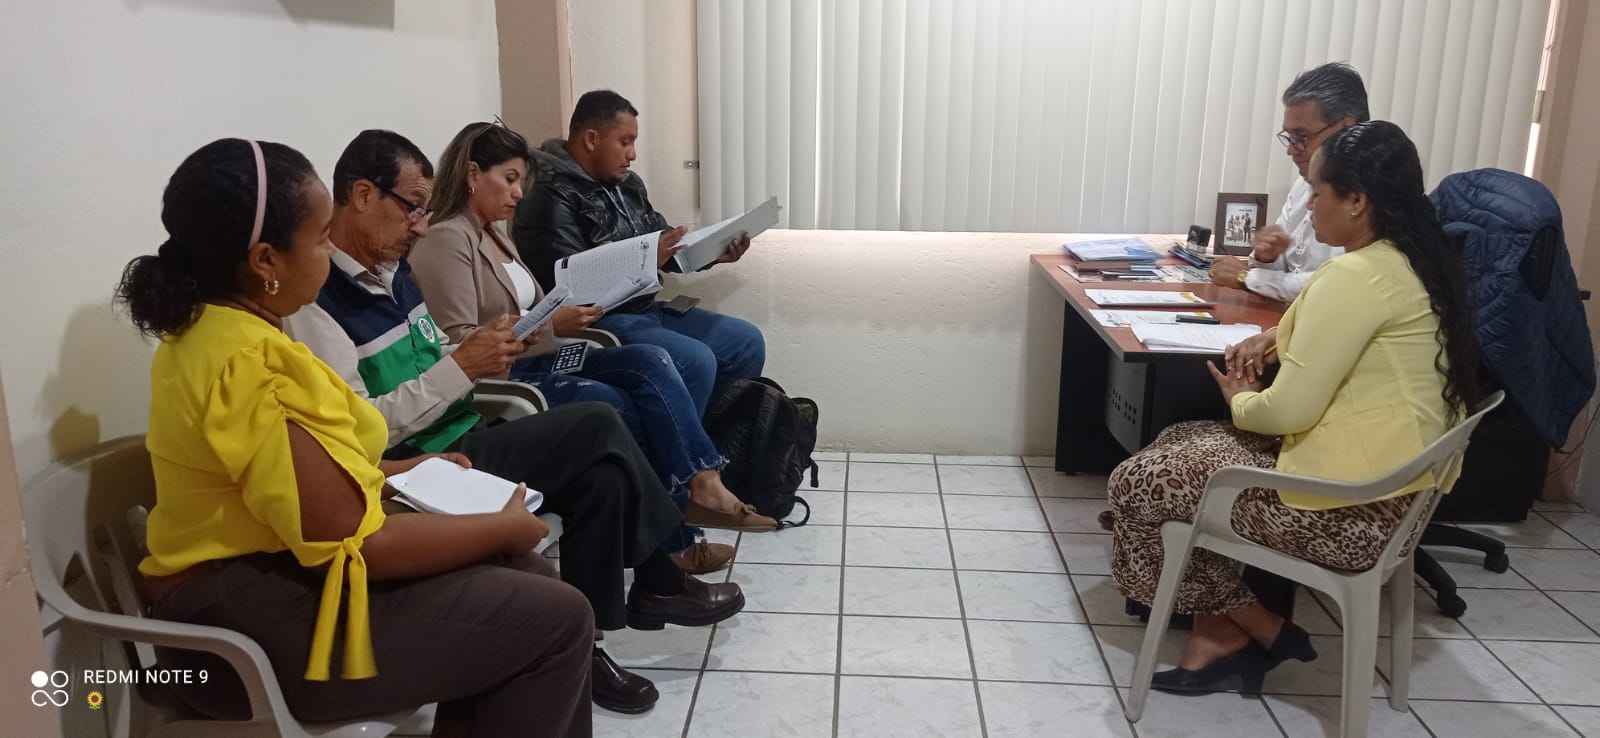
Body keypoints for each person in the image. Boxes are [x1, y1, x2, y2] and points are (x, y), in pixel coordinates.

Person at [118, 138, 592, 737]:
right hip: (236, 632)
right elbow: (358, 544)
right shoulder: (249, 364)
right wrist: (500, 524)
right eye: (321, 238)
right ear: (266, 261)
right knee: (557, 617)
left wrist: (399, 473)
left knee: (528, 576)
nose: (330, 251)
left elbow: (282, 477)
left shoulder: (223, 331)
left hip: (265, 576)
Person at [283, 130, 746, 716]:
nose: (420, 227)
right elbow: (364, 430)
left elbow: (437, 355)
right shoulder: (315, 304)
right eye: (413, 208)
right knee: (599, 421)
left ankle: (590, 644)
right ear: (363, 195)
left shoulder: (393, 270)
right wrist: (464, 364)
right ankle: (661, 573)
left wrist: (480, 349)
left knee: (602, 476)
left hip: (464, 429)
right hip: (421, 464)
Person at [1109, 120, 1482, 695]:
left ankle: (1254, 625)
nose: (1310, 206)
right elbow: (1357, 333)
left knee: (1135, 484)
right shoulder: (1411, 262)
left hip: (1346, 517)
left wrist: (1240, 399)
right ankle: (1230, 630)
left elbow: (1285, 414)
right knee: (1177, 440)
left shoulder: (1354, 275)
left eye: (1318, 193)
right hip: (1397, 499)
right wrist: (1276, 338)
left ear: (1356, 201)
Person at [409, 121, 778, 571]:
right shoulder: (448, 238)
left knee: (651, 361)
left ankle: (702, 482)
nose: (518, 194)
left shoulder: (494, 233)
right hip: (511, 375)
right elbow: (461, 345)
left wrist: (557, 317)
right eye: (509, 179)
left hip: (545, 352)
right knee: (614, 401)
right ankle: (670, 544)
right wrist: (552, 323)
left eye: (521, 181)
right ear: (472, 174)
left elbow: (529, 307)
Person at [513, 90, 766, 416]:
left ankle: (712, 438)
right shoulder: (549, 195)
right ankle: (678, 448)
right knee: (696, 360)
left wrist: (715, 252)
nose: (632, 154)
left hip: (646, 308)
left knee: (746, 342)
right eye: (625, 142)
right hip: (603, 321)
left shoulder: (627, 185)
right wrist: (643, 262)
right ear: (591, 139)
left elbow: (663, 244)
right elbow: (570, 286)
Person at [1211, 62, 1369, 302]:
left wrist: (1247, 278)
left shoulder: (1371, 193)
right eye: (1289, 137)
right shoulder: (1304, 183)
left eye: (1302, 137)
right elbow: (1284, 269)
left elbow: (1337, 283)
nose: (1291, 150)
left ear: (1345, 129)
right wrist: (1268, 256)